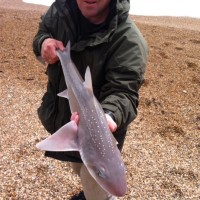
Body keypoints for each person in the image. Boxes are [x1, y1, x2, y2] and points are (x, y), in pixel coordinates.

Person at [33, 0, 148, 199]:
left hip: (105, 127)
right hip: (64, 116)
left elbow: (124, 92)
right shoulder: (59, 11)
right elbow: (42, 33)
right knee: (78, 167)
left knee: (96, 184)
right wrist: (43, 43)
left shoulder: (129, 40)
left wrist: (109, 115)